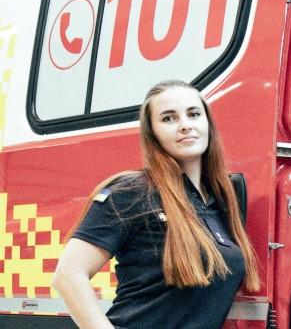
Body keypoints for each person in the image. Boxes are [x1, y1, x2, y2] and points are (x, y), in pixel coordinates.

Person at [52, 80, 261, 328]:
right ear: (152, 133)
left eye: (194, 114)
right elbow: (68, 275)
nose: (185, 125)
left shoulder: (217, 203)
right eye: (169, 119)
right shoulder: (131, 192)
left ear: (207, 124)